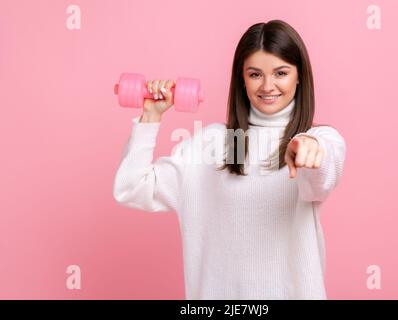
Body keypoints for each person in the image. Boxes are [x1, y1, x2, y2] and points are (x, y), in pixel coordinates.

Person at [113, 19, 346, 300]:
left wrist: (309, 149)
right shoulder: (213, 143)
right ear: (242, 79)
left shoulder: (320, 139)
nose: (268, 85)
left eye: (281, 73)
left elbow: (319, 180)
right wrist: (150, 117)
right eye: (255, 74)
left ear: (299, 77)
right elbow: (131, 188)